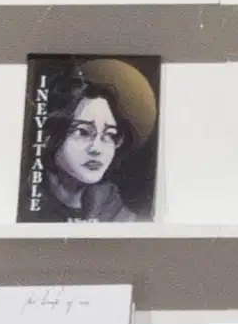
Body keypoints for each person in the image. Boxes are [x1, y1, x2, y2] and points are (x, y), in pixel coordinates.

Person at [28, 59, 154, 224]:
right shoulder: (31, 202)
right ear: (49, 136)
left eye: (109, 135)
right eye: (83, 132)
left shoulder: (113, 207)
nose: (97, 148)